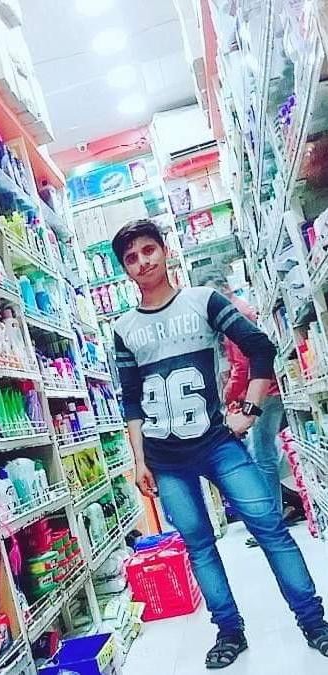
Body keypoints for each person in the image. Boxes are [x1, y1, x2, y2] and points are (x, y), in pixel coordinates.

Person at [111, 219, 328, 669]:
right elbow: (131, 400)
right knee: (199, 545)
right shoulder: (124, 328)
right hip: (165, 458)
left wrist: (249, 410)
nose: (142, 262)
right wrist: (139, 460)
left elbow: (260, 347)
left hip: (217, 442)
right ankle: (229, 633)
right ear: (125, 269)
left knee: (270, 528)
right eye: (131, 258)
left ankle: (315, 624)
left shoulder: (202, 302)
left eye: (148, 250)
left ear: (165, 251)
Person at [199, 271, 286, 547]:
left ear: (224, 289)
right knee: (264, 453)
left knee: (263, 456)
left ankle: (271, 524)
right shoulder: (239, 310)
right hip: (264, 391)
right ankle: (275, 515)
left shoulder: (235, 315)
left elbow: (242, 365)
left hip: (263, 394)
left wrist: (226, 396)